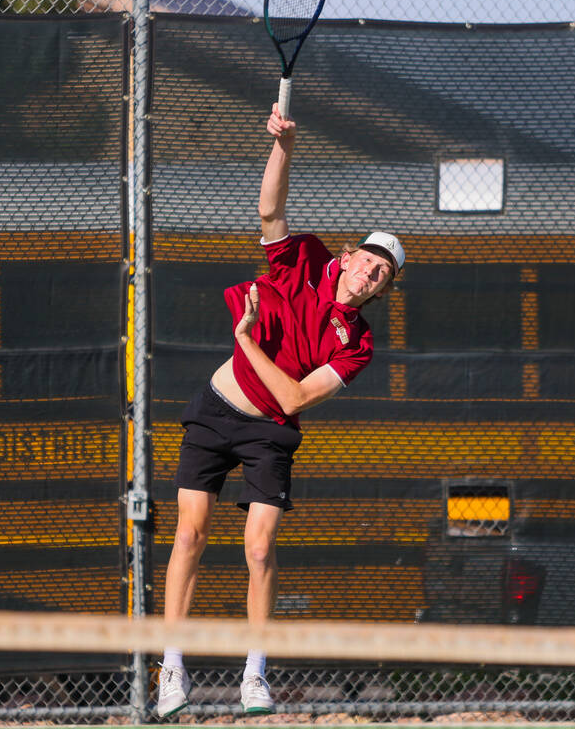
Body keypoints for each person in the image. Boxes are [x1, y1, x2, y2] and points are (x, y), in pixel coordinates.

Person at [155, 103, 405, 719]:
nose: (373, 273)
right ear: (346, 257)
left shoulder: (360, 344)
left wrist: (243, 341)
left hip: (270, 433)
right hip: (215, 410)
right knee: (189, 533)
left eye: (385, 276)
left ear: (381, 292)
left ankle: (255, 673)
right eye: (370, 259)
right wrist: (285, 146)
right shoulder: (302, 259)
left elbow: (292, 398)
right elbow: (270, 211)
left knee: (260, 550)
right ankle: (171, 665)